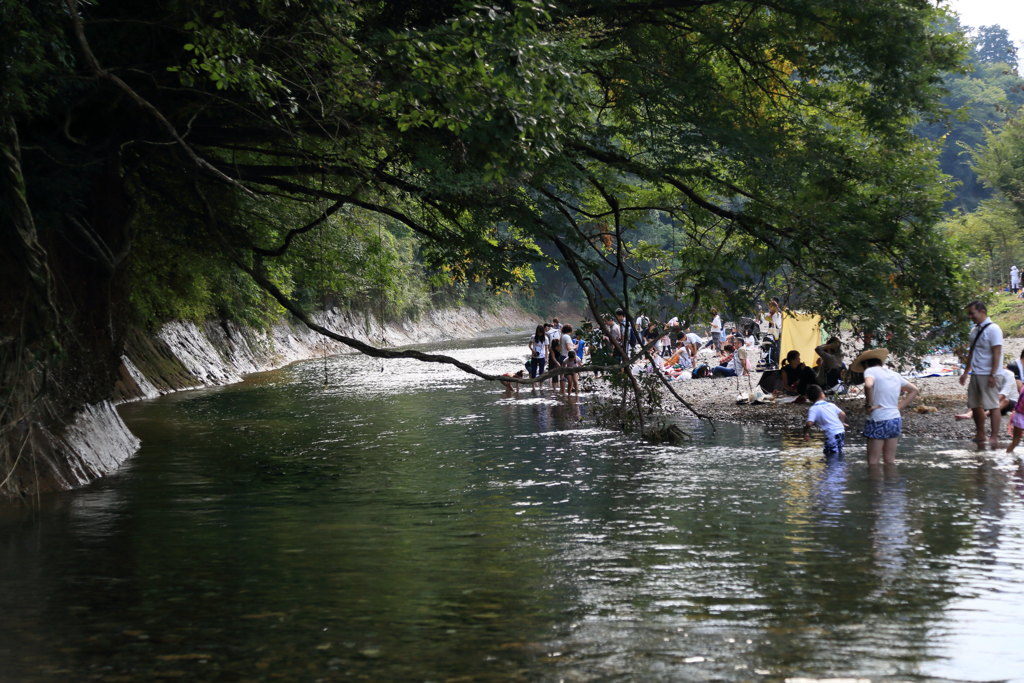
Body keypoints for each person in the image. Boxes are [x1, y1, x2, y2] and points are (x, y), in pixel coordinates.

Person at [854, 348, 919, 466]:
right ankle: (891, 484)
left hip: (878, 418)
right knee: (890, 461)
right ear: (880, 363)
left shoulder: (870, 371)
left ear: (866, 364)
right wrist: (898, 408)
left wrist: (869, 405)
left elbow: (868, 385)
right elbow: (914, 390)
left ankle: (875, 484)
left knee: (873, 462)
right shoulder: (894, 374)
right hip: (894, 419)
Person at [959, 300, 1004, 444]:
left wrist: (993, 374)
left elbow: (997, 352)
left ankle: (994, 436)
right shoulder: (974, 330)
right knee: (974, 404)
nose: (971, 316)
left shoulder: (994, 329)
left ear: (982, 312)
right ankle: (981, 434)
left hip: (989, 373)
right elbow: (972, 353)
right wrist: (966, 372)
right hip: (976, 372)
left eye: (973, 313)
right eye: (970, 314)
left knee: (992, 404)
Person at [803, 384, 848, 460]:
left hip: (831, 434)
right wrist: (841, 423)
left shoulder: (814, 408)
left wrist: (806, 432)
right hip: (841, 432)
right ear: (822, 394)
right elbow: (842, 414)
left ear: (809, 399)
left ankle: (832, 469)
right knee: (838, 451)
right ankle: (840, 468)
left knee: (830, 454)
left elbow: (809, 423)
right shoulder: (831, 405)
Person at [559, 324, 579, 394]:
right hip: (567, 356)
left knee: (563, 375)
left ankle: (563, 392)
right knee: (568, 375)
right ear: (570, 330)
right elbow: (568, 348)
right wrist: (575, 347)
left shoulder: (562, 336)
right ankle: (566, 392)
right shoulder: (567, 337)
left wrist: (572, 346)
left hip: (562, 355)